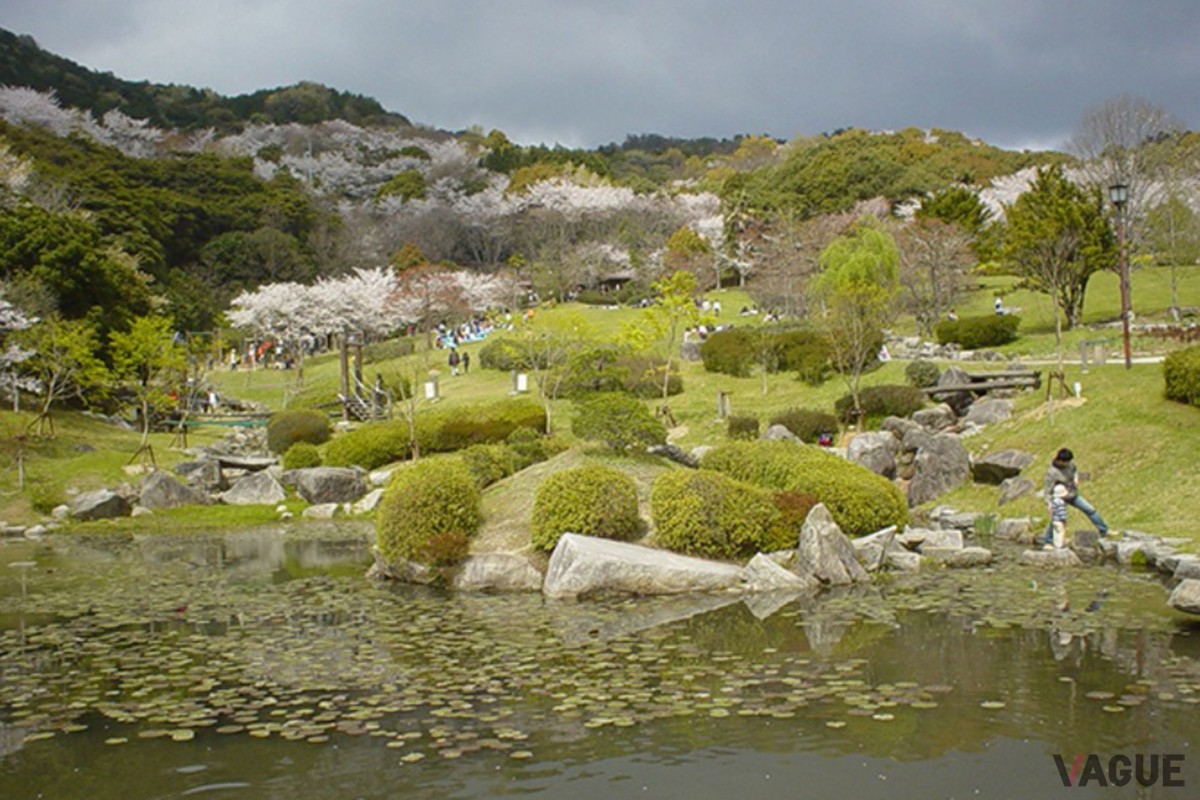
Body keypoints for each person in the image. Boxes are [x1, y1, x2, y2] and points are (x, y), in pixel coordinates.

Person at [1036, 448, 1109, 546]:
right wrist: (1049, 503)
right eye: (1066, 462)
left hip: (1072, 494)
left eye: (1069, 462)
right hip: (1060, 497)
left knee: (1090, 510)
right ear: (1060, 460)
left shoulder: (1070, 464)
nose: (1068, 464)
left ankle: (1103, 530)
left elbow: (1075, 470)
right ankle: (1048, 541)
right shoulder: (1052, 472)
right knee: (1057, 519)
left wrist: (1075, 478)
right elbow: (1047, 490)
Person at [1043, 484, 1070, 550]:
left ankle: (1054, 544)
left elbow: (1052, 511)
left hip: (1054, 520)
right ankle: (1059, 546)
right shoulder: (1061, 502)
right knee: (1060, 533)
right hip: (1059, 521)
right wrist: (1064, 520)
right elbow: (1062, 512)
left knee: (1055, 533)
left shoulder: (1054, 501)